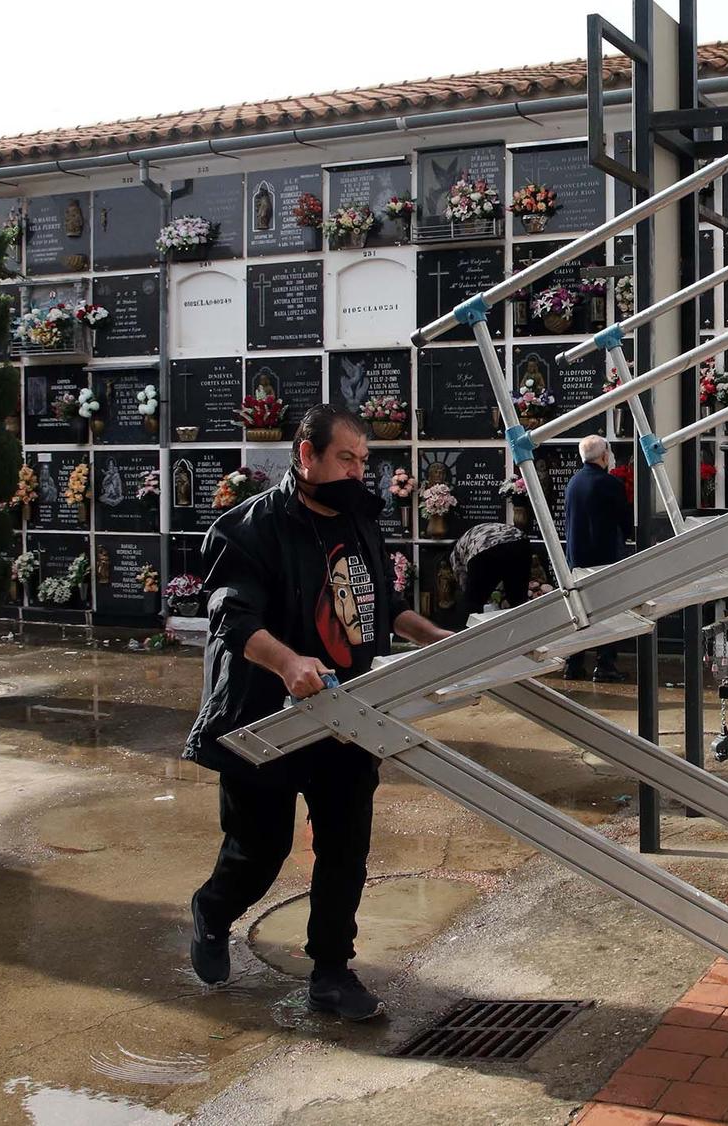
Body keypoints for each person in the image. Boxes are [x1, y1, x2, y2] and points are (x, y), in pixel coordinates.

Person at [183, 406, 452, 1019]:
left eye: (364, 460)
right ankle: (214, 909)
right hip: (267, 718)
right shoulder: (247, 527)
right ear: (306, 454)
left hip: (350, 712)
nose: (359, 472)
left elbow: (381, 603)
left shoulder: (360, 522)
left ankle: (332, 972)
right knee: (261, 849)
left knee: (345, 844)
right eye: (345, 459)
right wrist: (286, 664)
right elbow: (231, 619)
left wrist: (431, 635)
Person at [561, 435, 632, 681]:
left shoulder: (573, 482)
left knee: (580, 612)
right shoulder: (609, 483)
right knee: (608, 612)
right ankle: (605, 665)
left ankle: (573, 663)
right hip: (604, 556)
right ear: (604, 456)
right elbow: (625, 519)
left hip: (576, 558)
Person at [445, 520, 544, 630]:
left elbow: (464, 583)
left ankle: (466, 639)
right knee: (517, 600)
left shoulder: (454, 554)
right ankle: (525, 633)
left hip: (486, 548)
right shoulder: (471, 536)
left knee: (472, 603)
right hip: (520, 542)